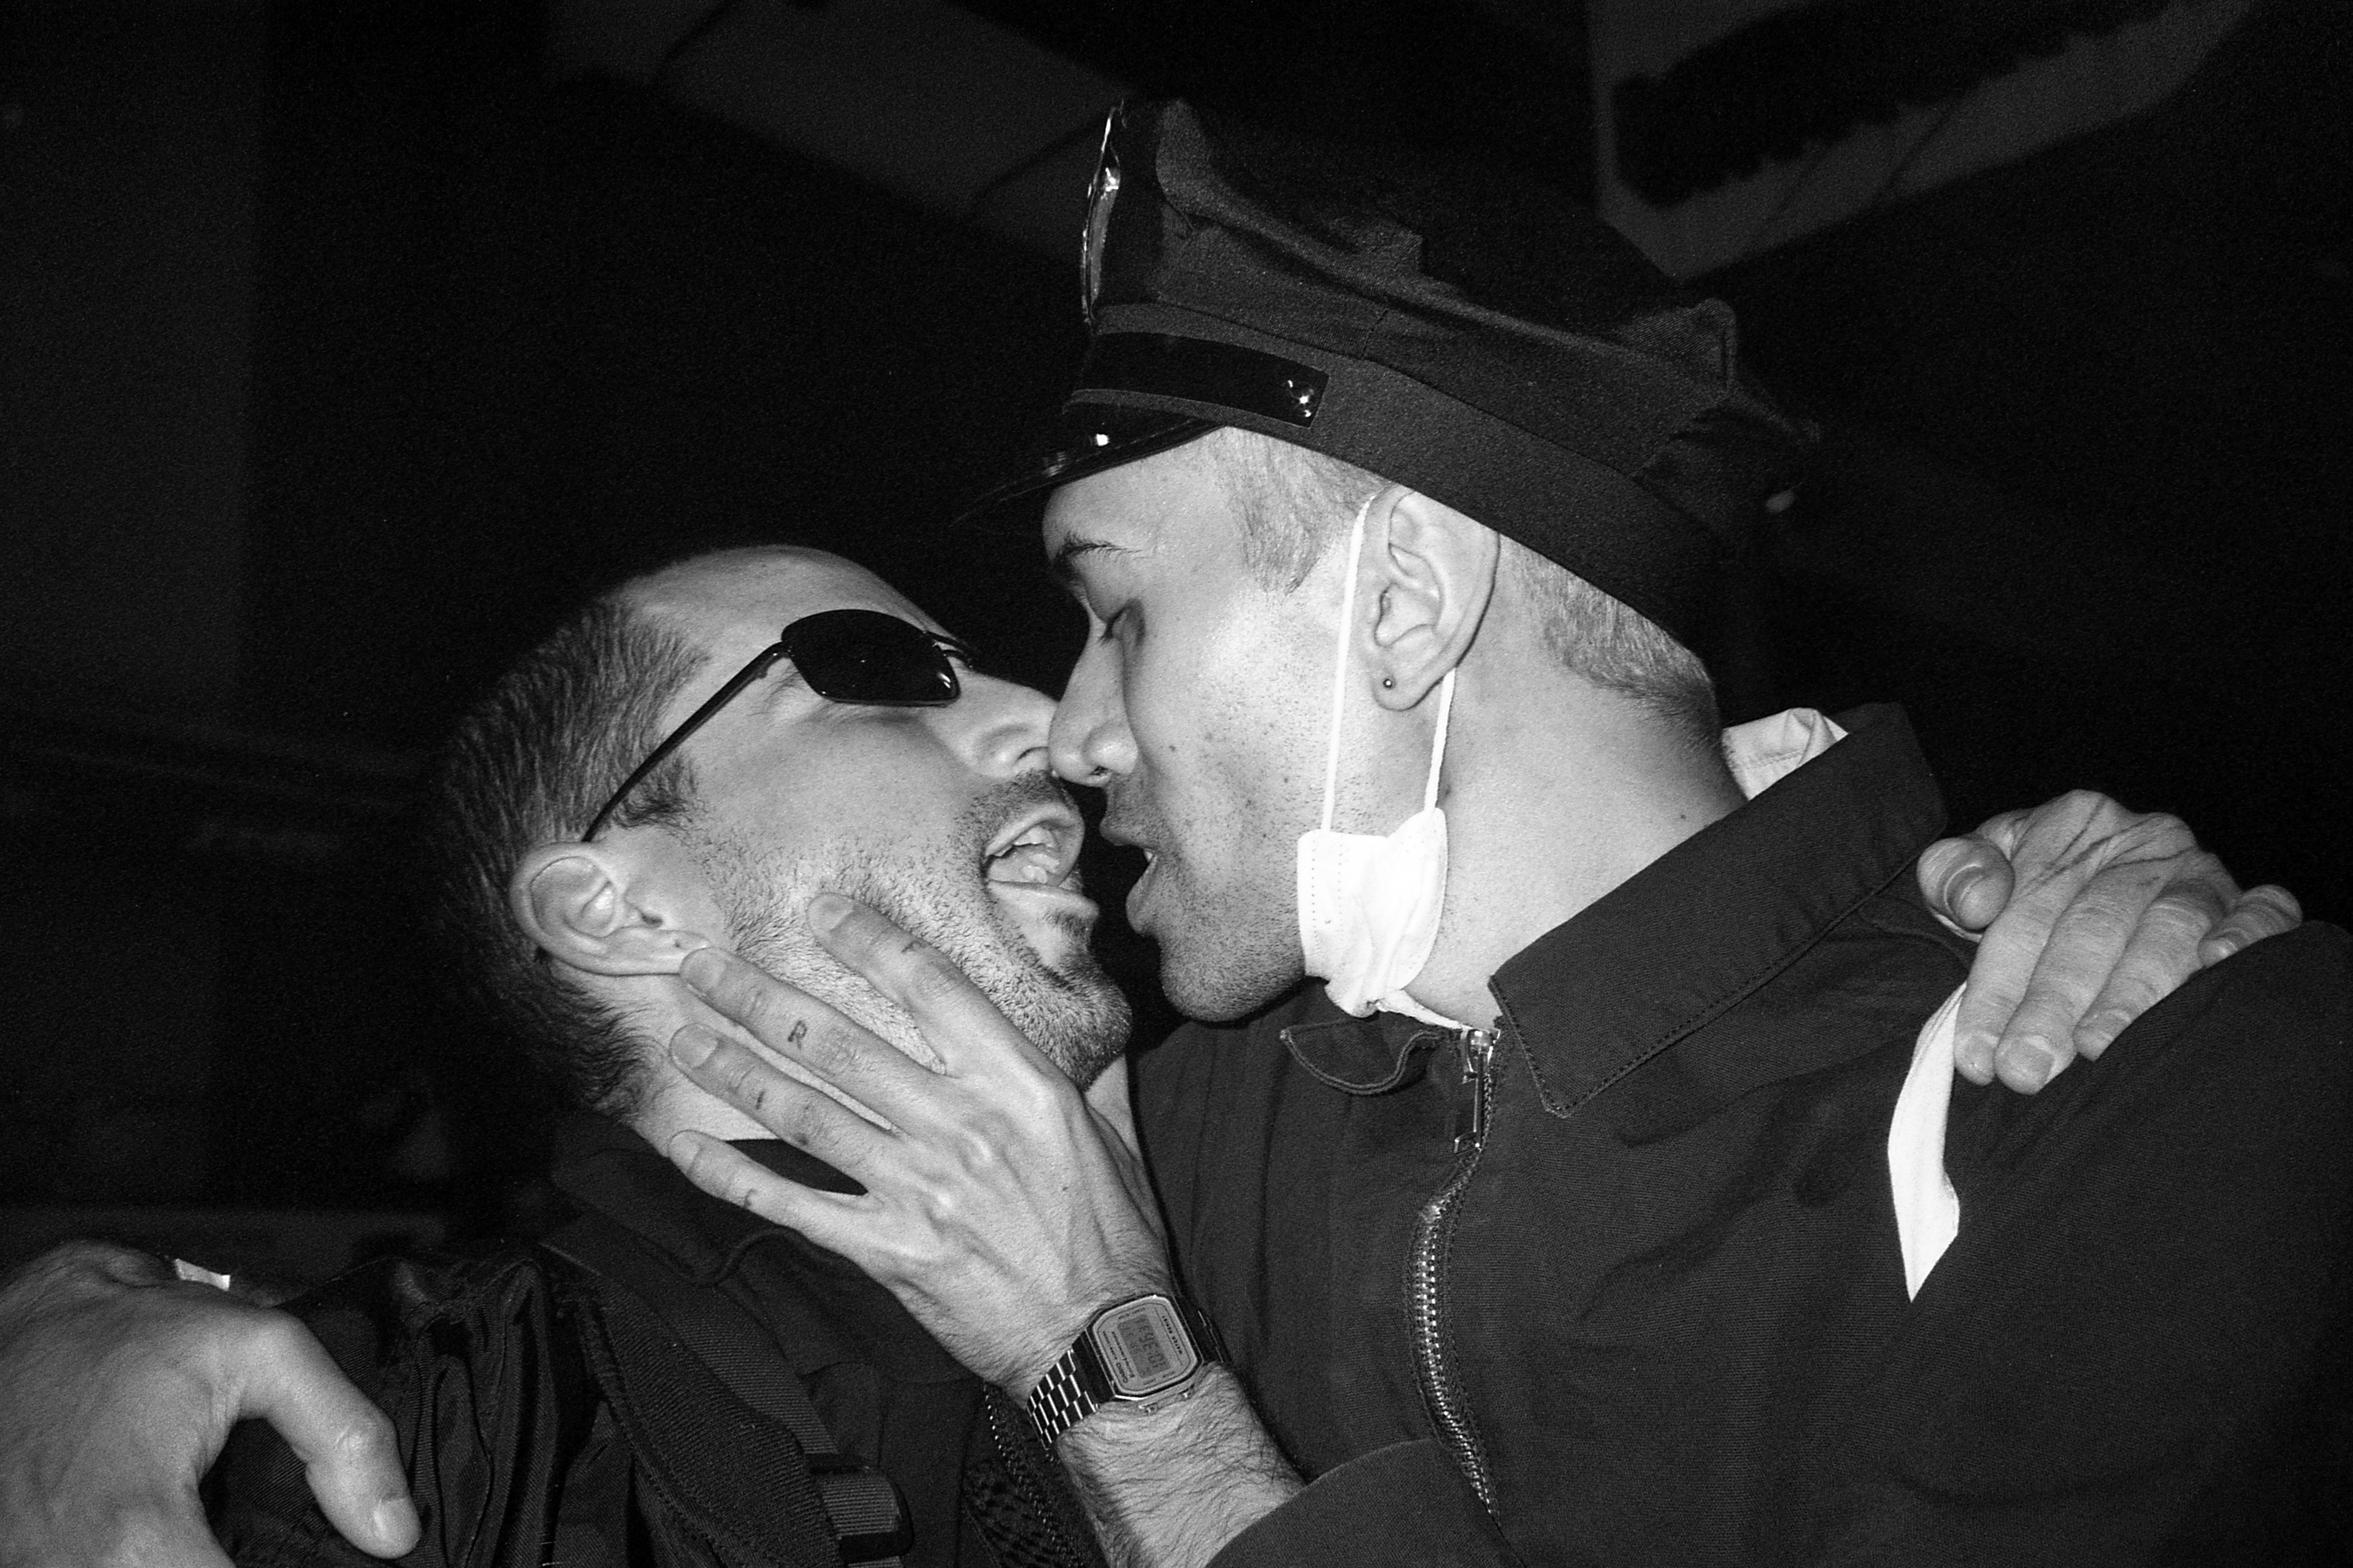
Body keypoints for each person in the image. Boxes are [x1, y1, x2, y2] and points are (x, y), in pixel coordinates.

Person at [0, 104, 2310, 1567]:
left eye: (1113, 611)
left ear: (1401, 605)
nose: (1058, 717)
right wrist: (76, 1329)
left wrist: (1131, 1383)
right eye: (906, 667)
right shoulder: (1202, 1101)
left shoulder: (2138, 1113)